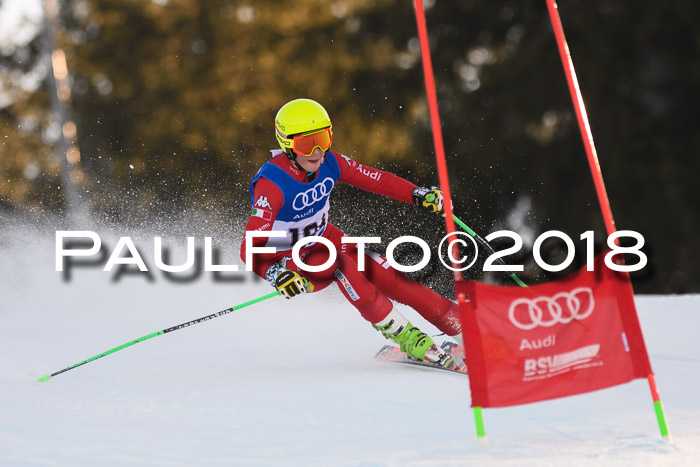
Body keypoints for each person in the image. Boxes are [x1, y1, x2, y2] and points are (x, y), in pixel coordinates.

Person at [240, 98, 463, 368]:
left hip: (326, 239)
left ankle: (460, 327)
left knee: (390, 276)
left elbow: (375, 179)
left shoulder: (329, 162)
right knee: (342, 264)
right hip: (291, 258)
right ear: (287, 144)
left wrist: (417, 194)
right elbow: (249, 246)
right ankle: (409, 338)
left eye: (323, 138)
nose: (318, 151)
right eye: (306, 144)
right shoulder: (272, 183)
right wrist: (277, 274)